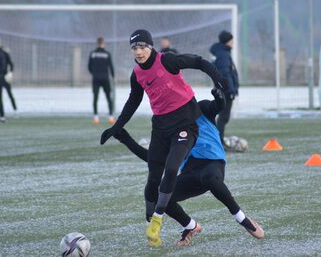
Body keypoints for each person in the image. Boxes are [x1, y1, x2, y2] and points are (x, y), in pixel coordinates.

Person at [100, 29, 225, 247]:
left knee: (170, 169)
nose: (138, 52)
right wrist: (116, 127)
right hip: (161, 127)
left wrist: (218, 79)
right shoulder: (137, 74)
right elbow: (133, 102)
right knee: (153, 180)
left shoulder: (167, 60)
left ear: (150, 47)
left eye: (142, 47)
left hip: (185, 124)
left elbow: (199, 62)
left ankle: (155, 223)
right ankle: (182, 225)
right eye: (134, 48)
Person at [113, 88, 264, 246]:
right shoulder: (171, 127)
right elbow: (153, 159)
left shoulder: (202, 108)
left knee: (209, 177)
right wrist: (125, 139)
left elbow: (218, 106)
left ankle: (242, 218)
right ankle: (190, 226)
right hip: (190, 173)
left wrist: (219, 96)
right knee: (162, 197)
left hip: (213, 164)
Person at [210, 30, 239, 146]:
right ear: (227, 41)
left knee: (223, 117)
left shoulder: (222, 52)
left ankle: (218, 140)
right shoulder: (223, 54)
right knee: (223, 117)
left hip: (223, 89)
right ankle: (218, 142)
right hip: (226, 90)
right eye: (231, 40)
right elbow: (225, 73)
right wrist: (230, 90)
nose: (233, 42)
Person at [88, 37, 115, 124]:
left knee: (95, 97)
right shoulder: (107, 54)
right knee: (108, 97)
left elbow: (89, 66)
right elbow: (111, 67)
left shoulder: (93, 54)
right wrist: (113, 76)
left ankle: (96, 117)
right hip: (105, 78)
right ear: (103, 43)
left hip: (96, 78)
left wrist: (94, 73)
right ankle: (111, 117)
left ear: (97, 43)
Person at [0, 44, 18, 114]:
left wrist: (10, 73)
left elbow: (11, 64)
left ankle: (15, 108)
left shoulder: (4, 54)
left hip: (3, 76)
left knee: (9, 93)